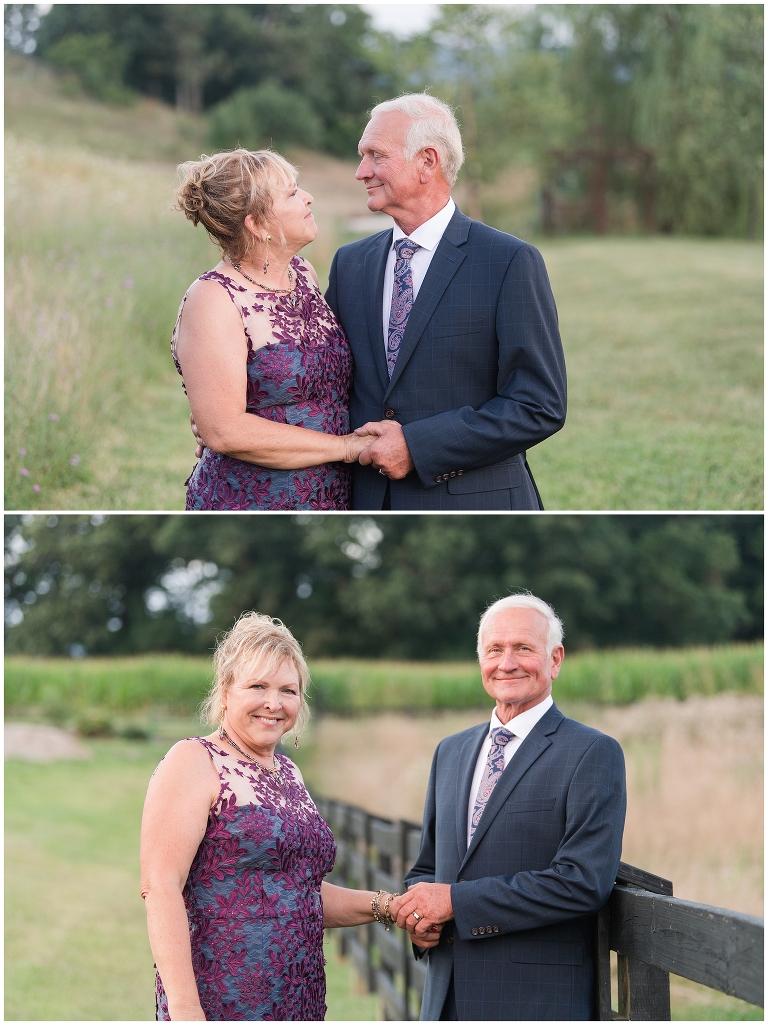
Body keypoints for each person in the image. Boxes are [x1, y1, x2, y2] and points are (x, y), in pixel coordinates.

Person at [140, 613, 418, 1021]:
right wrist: (185, 1008)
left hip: (298, 997)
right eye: (257, 686)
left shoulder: (289, 772)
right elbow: (160, 886)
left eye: (288, 690)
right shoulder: (194, 761)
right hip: (222, 998)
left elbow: (298, 893)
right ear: (225, 691)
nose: (274, 703)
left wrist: (387, 906)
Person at [390, 594, 626, 1020]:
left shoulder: (592, 753)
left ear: (554, 660)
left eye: (524, 648)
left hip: (533, 1000)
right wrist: (419, 920)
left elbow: (583, 882)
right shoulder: (451, 751)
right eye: (494, 650)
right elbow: (428, 867)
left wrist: (456, 904)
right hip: (444, 999)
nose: (507, 662)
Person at [326, 94, 568, 510]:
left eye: (375, 156)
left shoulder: (508, 261)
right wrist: (234, 418)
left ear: (427, 162)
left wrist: (417, 446)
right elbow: (325, 377)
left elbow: (537, 405)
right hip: (363, 504)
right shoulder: (350, 263)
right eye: (362, 156)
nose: (360, 171)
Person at [172, 150, 373, 510]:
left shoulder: (304, 274)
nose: (308, 197)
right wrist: (346, 447)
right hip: (253, 500)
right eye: (292, 193)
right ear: (258, 224)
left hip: (331, 495)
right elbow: (224, 431)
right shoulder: (214, 299)